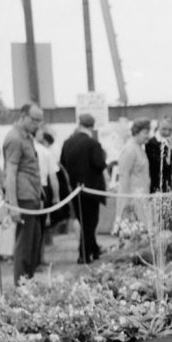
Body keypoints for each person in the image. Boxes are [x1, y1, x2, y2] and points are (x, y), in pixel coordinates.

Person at [3, 103, 45, 284]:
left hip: (32, 196)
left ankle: (28, 282)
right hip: (23, 197)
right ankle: (21, 287)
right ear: (23, 116)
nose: (37, 124)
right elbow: (10, 173)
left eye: (39, 121)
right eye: (34, 119)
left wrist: (40, 193)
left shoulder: (27, 137)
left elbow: (31, 168)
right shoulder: (14, 138)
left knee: (33, 243)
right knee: (25, 244)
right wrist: (13, 205)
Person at [60, 113, 108, 264]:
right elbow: (99, 164)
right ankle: (85, 254)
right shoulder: (93, 144)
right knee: (90, 223)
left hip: (74, 189)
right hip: (91, 189)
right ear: (92, 126)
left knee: (83, 221)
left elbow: (62, 164)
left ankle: (93, 249)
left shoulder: (67, 143)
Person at [116, 118, 152, 228]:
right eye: (145, 133)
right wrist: (127, 200)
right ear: (137, 132)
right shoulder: (129, 149)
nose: (148, 136)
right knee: (132, 232)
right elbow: (124, 175)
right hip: (132, 199)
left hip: (141, 198)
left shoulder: (139, 148)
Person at [35, 130, 61, 263]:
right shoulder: (45, 152)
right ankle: (39, 258)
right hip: (42, 189)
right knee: (40, 226)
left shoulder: (31, 149)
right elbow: (53, 176)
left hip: (30, 189)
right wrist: (56, 196)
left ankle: (35, 259)